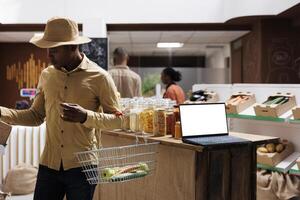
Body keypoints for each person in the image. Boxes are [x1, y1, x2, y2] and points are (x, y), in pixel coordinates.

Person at [0, 17, 122, 200]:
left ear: (73, 47)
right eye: (48, 49)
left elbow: (119, 120)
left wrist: (85, 116)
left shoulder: (100, 77)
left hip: (83, 167)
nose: (48, 55)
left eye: (54, 50)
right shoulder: (47, 75)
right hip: (49, 165)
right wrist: (2, 112)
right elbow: (35, 116)